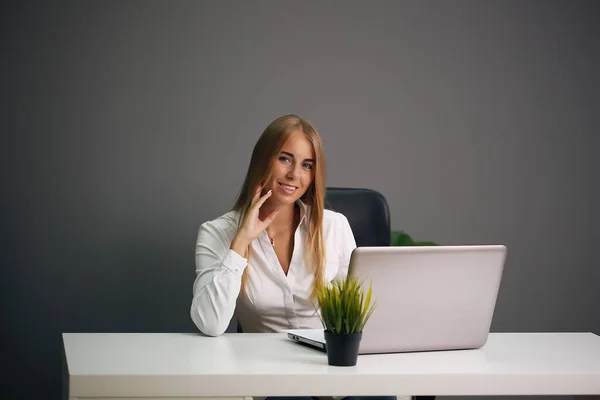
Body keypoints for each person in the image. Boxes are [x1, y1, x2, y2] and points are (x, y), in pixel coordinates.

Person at [190, 114, 395, 400]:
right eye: (285, 159)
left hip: (332, 369)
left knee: (377, 397)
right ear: (263, 160)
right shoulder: (217, 233)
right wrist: (241, 242)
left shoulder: (333, 227)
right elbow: (210, 323)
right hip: (266, 375)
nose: (294, 175)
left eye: (307, 165)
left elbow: (360, 315)